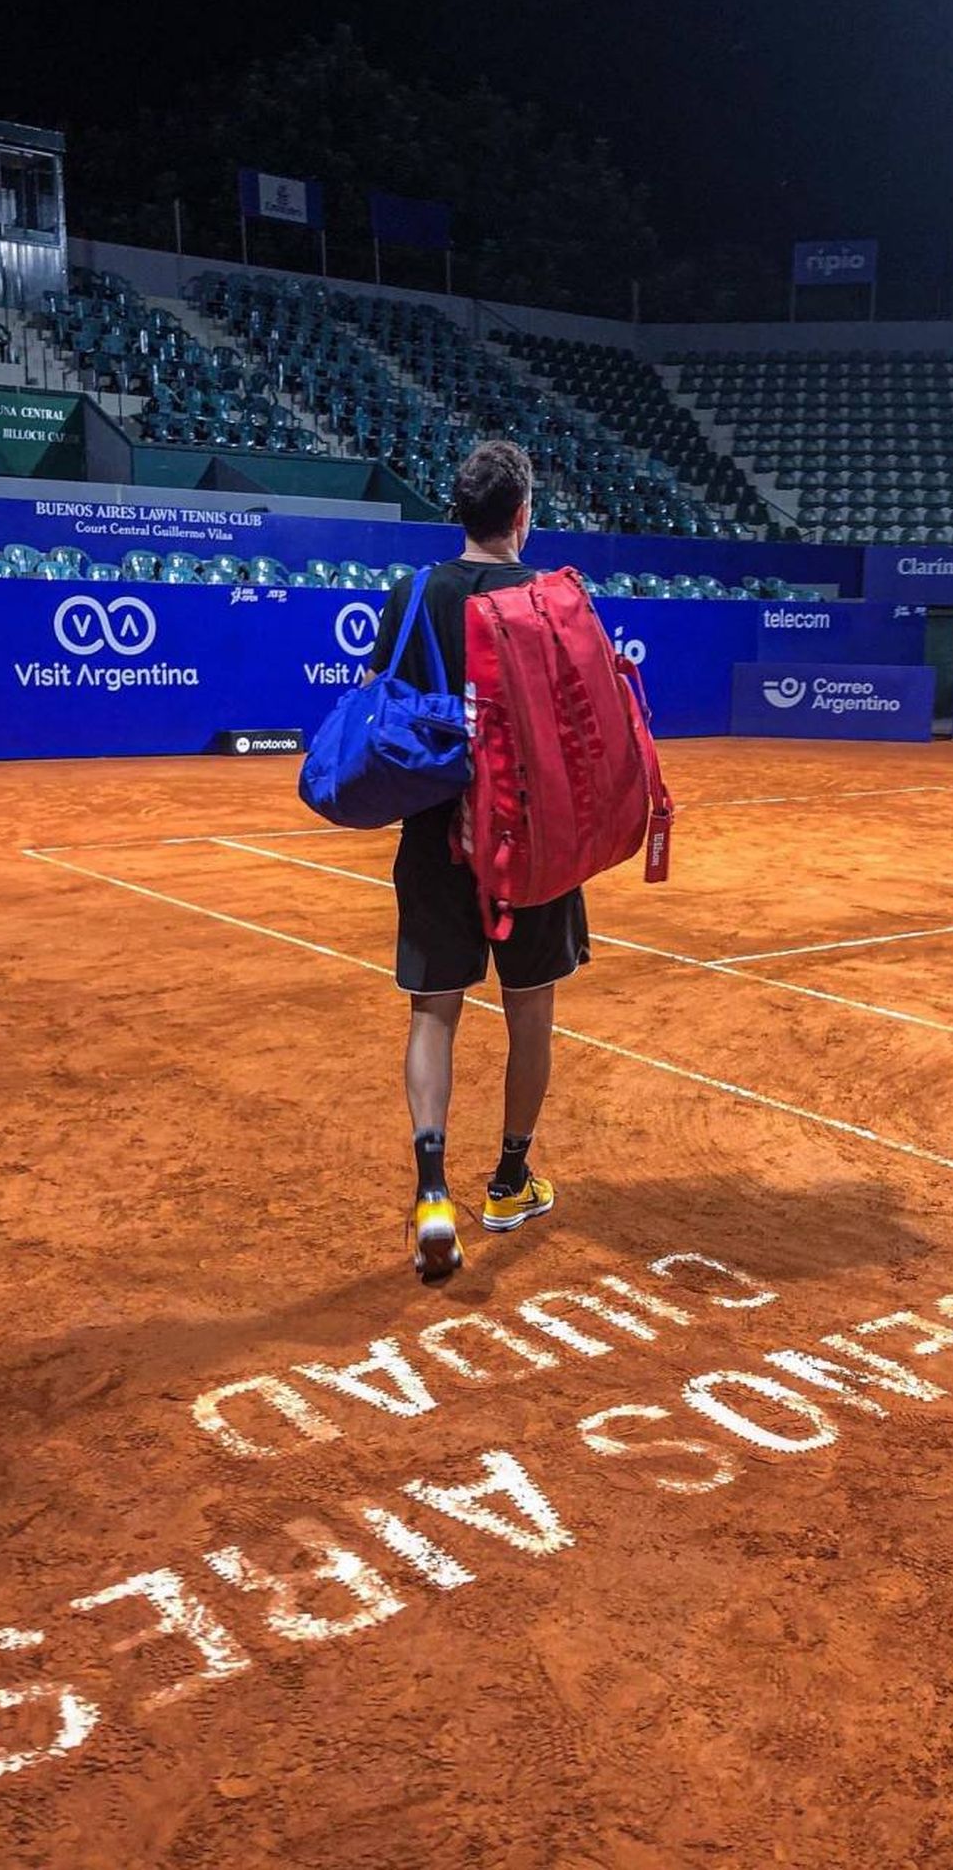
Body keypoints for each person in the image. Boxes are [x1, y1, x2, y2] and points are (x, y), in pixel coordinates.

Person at [367, 440, 589, 1283]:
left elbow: (381, 706)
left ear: (458, 513)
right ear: (523, 515)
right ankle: (507, 1180)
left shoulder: (412, 592)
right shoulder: (550, 600)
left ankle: (432, 1190)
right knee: (529, 1009)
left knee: (435, 1008)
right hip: (526, 838)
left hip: (433, 832)